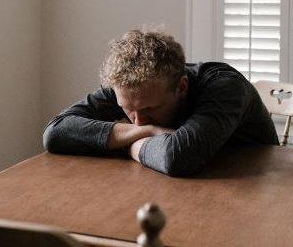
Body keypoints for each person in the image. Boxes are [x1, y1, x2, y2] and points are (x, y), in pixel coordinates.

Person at [42, 28, 278, 177]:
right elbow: (55, 133)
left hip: (261, 189)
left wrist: (127, 143)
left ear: (182, 87)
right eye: (128, 109)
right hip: (178, 187)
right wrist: (150, 131)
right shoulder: (130, 89)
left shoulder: (225, 86)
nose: (138, 120)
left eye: (150, 110)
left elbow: (178, 157)